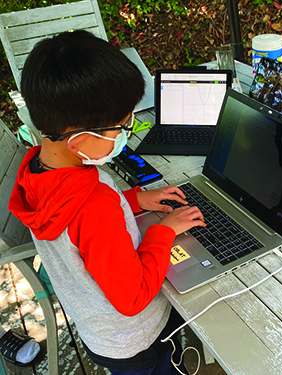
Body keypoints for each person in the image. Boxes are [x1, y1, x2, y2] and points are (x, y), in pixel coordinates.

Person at [8, 30, 205, 374]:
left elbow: (77, 229)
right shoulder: (93, 205)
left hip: (100, 330)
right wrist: (165, 231)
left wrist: (135, 199)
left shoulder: (39, 168)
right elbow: (132, 298)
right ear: (81, 140)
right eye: (122, 126)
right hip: (138, 338)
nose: (127, 132)